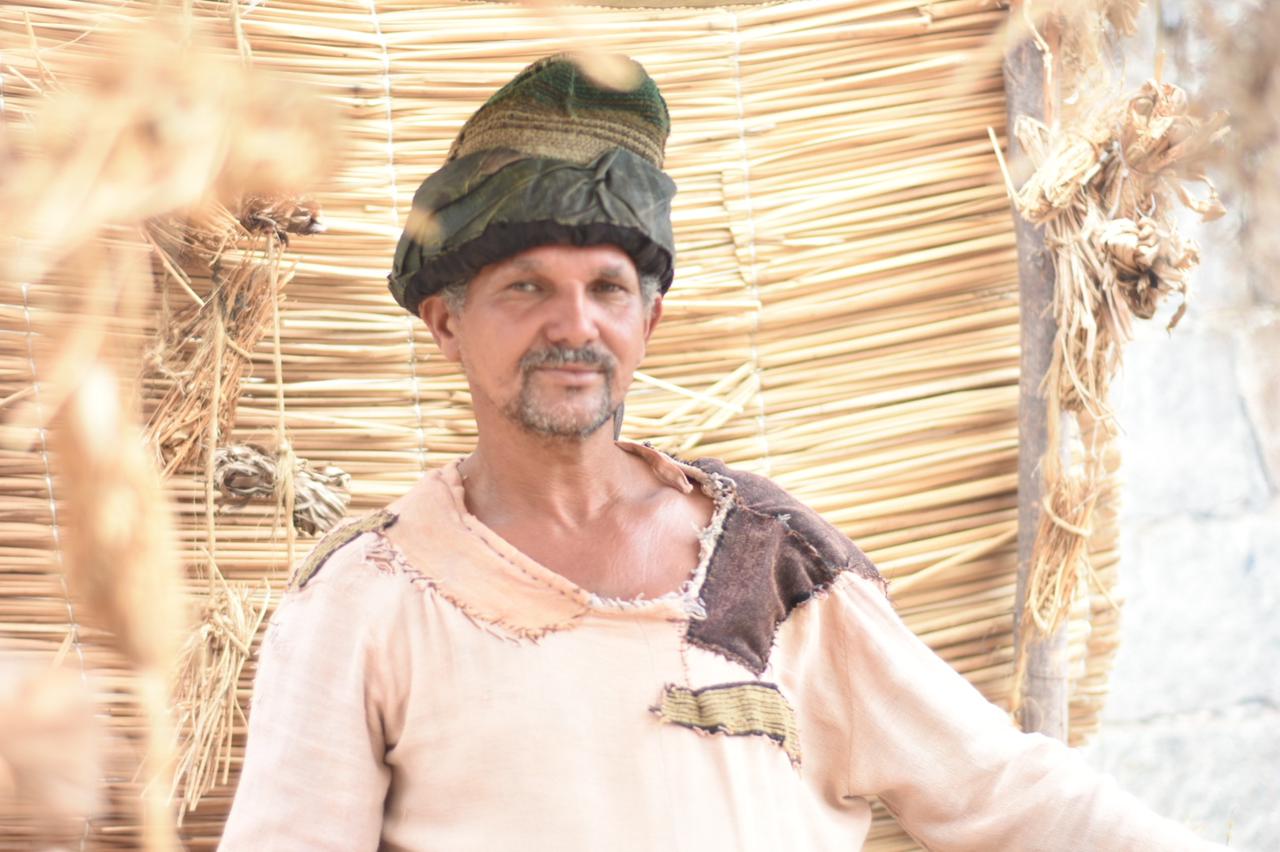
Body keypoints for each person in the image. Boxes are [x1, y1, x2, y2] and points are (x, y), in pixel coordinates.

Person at [220, 55, 1225, 851]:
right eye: (525, 288)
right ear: (446, 323)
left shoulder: (769, 564)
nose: (573, 325)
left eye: (607, 289)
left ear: (647, 321)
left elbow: (1003, 791)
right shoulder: (369, 598)